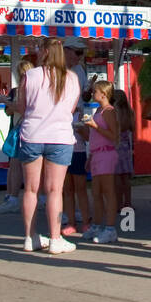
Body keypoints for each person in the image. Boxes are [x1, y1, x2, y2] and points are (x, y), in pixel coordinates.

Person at [16, 37, 81, 254]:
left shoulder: (30, 75)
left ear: (44, 52)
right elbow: (71, 110)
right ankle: (55, 238)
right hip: (60, 136)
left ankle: (29, 236)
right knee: (55, 190)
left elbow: (22, 107)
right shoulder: (71, 78)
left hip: (32, 134)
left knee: (31, 189)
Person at [83, 80, 121, 244]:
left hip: (107, 154)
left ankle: (110, 227)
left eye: (95, 91)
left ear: (103, 94)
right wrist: (90, 157)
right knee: (96, 192)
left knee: (108, 192)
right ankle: (97, 225)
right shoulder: (98, 110)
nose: (92, 94)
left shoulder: (109, 111)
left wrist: (95, 126)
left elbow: (114, 136)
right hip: (97, 154)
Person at [0, 58, 35, 214]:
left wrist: (10, 103)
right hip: (17, 128)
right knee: (14, 164)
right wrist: (9, 103)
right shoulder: (16, 91)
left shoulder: (34, 91)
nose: (22, 77)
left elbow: (26, 110)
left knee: (25, 165)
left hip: (29, 130)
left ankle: (21, 197)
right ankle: (11, 197)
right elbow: (9, 112)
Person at [62, 40, 92, 235]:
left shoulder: (79, 71)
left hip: (77, 128)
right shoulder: (56, 71)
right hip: (61, 130)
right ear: (66, 51)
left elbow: (84, 97)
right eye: (77, 52)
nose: (79, 57)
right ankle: (70, 220)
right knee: (66, 186)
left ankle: (85, 220)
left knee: (80, 184)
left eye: (81, 53)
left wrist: (89, 92)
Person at [111, 89, 135, 211]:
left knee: (117, 177)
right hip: (126, 145)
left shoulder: (115, 112)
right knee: (126, 177)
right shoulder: (129, 112)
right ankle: (128, 203)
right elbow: (132, 128)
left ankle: (119, 203)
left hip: (116, 145)